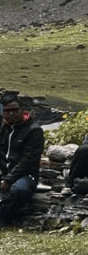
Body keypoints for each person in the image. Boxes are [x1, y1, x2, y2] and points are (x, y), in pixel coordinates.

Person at [0, 91, 44, 226]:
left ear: (22, 110)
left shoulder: (34, 130)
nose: (12, 114)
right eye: (8, 111)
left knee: (19, 190)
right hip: (3, 172)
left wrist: (7, 181)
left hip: (25, 174)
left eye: (15, 110)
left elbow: (28, 160)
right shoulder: (3, 128)